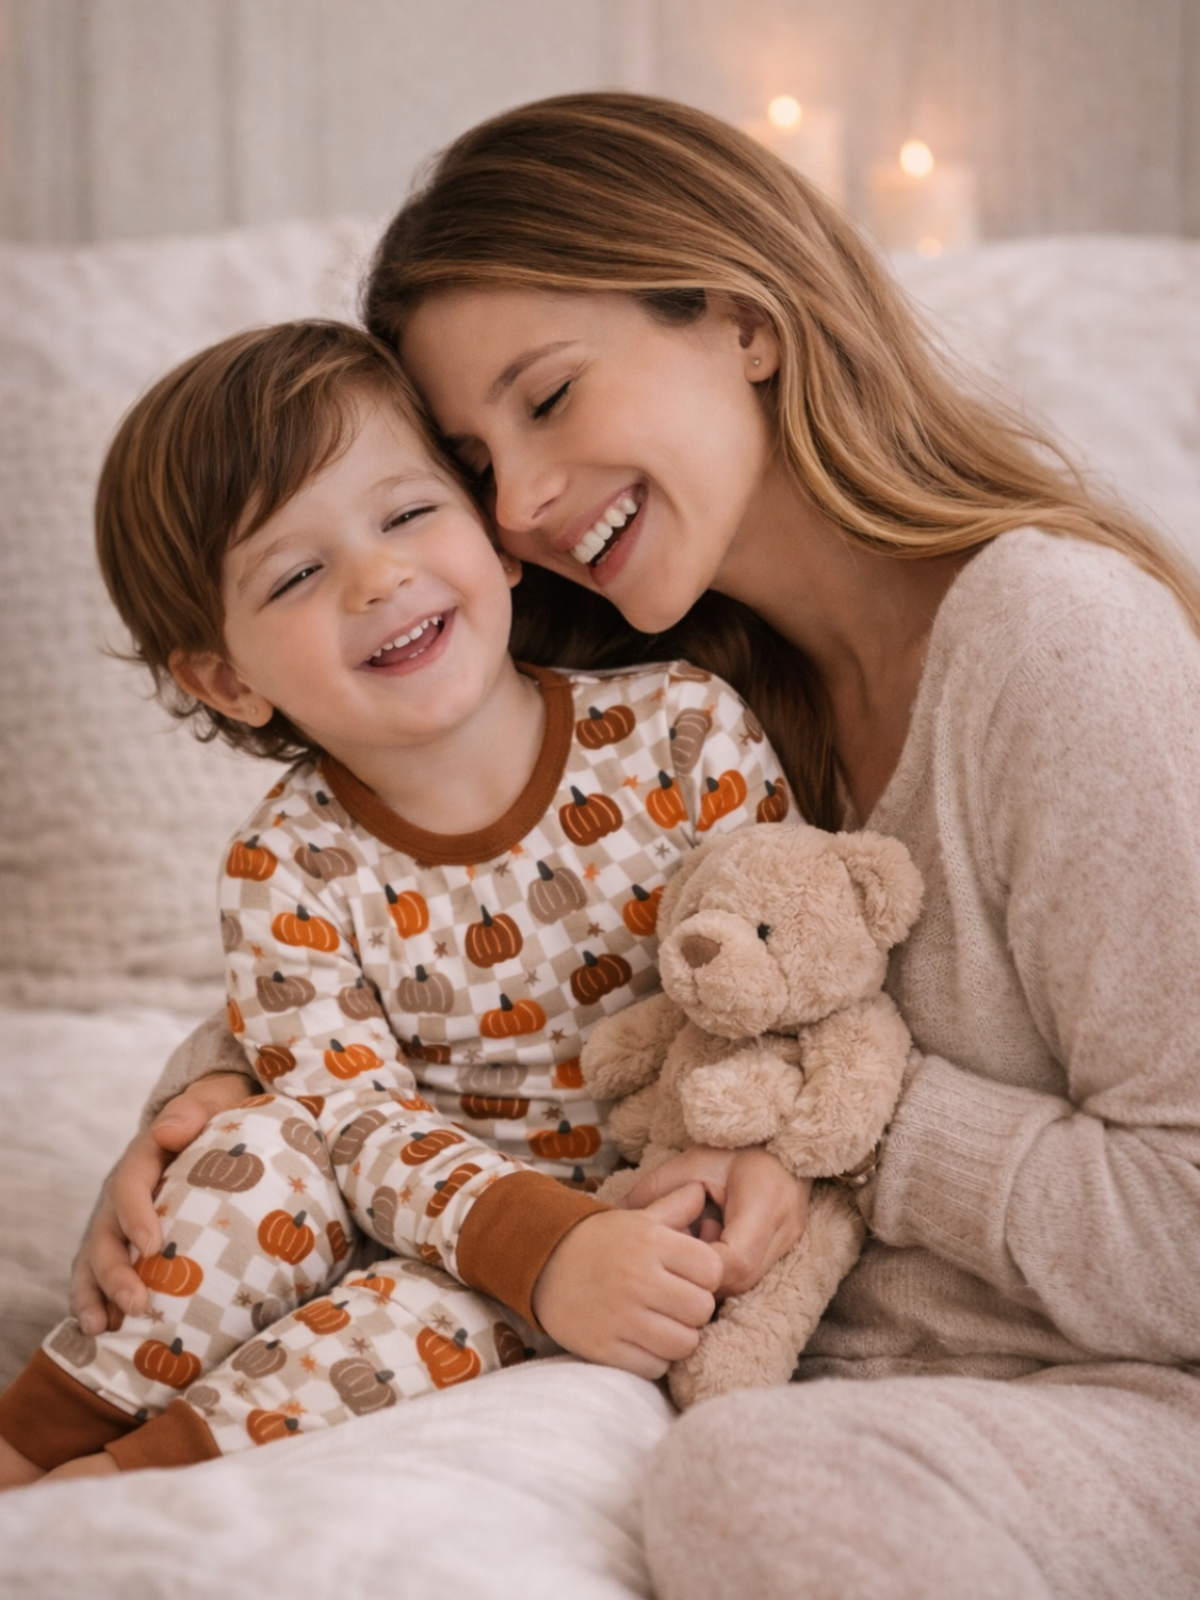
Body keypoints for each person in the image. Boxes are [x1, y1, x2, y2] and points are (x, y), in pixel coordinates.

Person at [66, 92, 1200, 1598]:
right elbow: (440, 930)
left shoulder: (1058, 644)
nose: (521, 504)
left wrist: (823, 1111)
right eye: (470, 463)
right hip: (730, 1349)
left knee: (757, 1493)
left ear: (742, 318)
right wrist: (206, 1103)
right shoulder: (687, 680)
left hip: (1091, 1401)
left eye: (548, 399)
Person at [0, 317, 801, 1487]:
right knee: (253, 1148)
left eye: (408, 514)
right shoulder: (286, 860)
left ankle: (129, 1480)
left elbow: (786, 977)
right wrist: (536, 1239)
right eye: (297, 572)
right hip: (420, 1193)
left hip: (628, 1204)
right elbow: (344, 1116)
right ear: (229, 678)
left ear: (496, 536)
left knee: (400, 1326)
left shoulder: (681, 730)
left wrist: (741, 1164)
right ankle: (39, 1442)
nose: (378, 577)